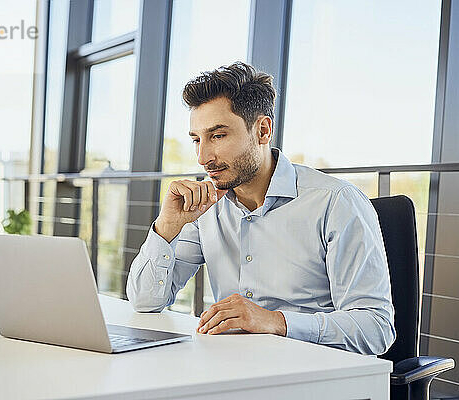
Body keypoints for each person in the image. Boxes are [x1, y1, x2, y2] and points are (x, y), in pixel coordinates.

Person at [126, 62, 396, 355]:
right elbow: (145, 302)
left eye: (218, 136)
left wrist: (276, 322)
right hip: (234, 368)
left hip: (313, 375)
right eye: (196, 139)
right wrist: (167, 227)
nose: (203, 157)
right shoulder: (205, 208)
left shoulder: (335, 202)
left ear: (263, 130)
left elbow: (376, 329)